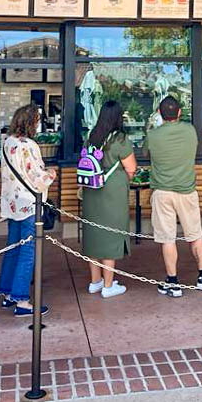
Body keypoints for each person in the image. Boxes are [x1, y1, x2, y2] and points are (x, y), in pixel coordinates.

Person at [144, 96, 202, 298]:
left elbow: (146, 153)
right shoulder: (190, 130)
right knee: (195, 234)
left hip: (162, 192)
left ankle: (173, 281)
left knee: (167, 238)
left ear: (159, 113)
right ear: (179, 112)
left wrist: (152, 128)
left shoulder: (153, 135)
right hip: (187, 191)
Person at [0, 104, 55, 316]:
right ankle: (22, 300)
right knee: (28, 252)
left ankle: (7, 293)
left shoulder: (8, 142)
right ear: (32, 123)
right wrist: (51, 174)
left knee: (12, 248)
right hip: (29, 204)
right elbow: (37, 178)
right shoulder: (28, 145)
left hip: (12, 203)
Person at [82, 100, 137, 298]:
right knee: (110, 235)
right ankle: (108, 285)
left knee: (94, 235)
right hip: (112, 192)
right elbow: (131, 168)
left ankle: (95, 281)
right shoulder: (120, 139)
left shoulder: (91, 136)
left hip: (91, 191)